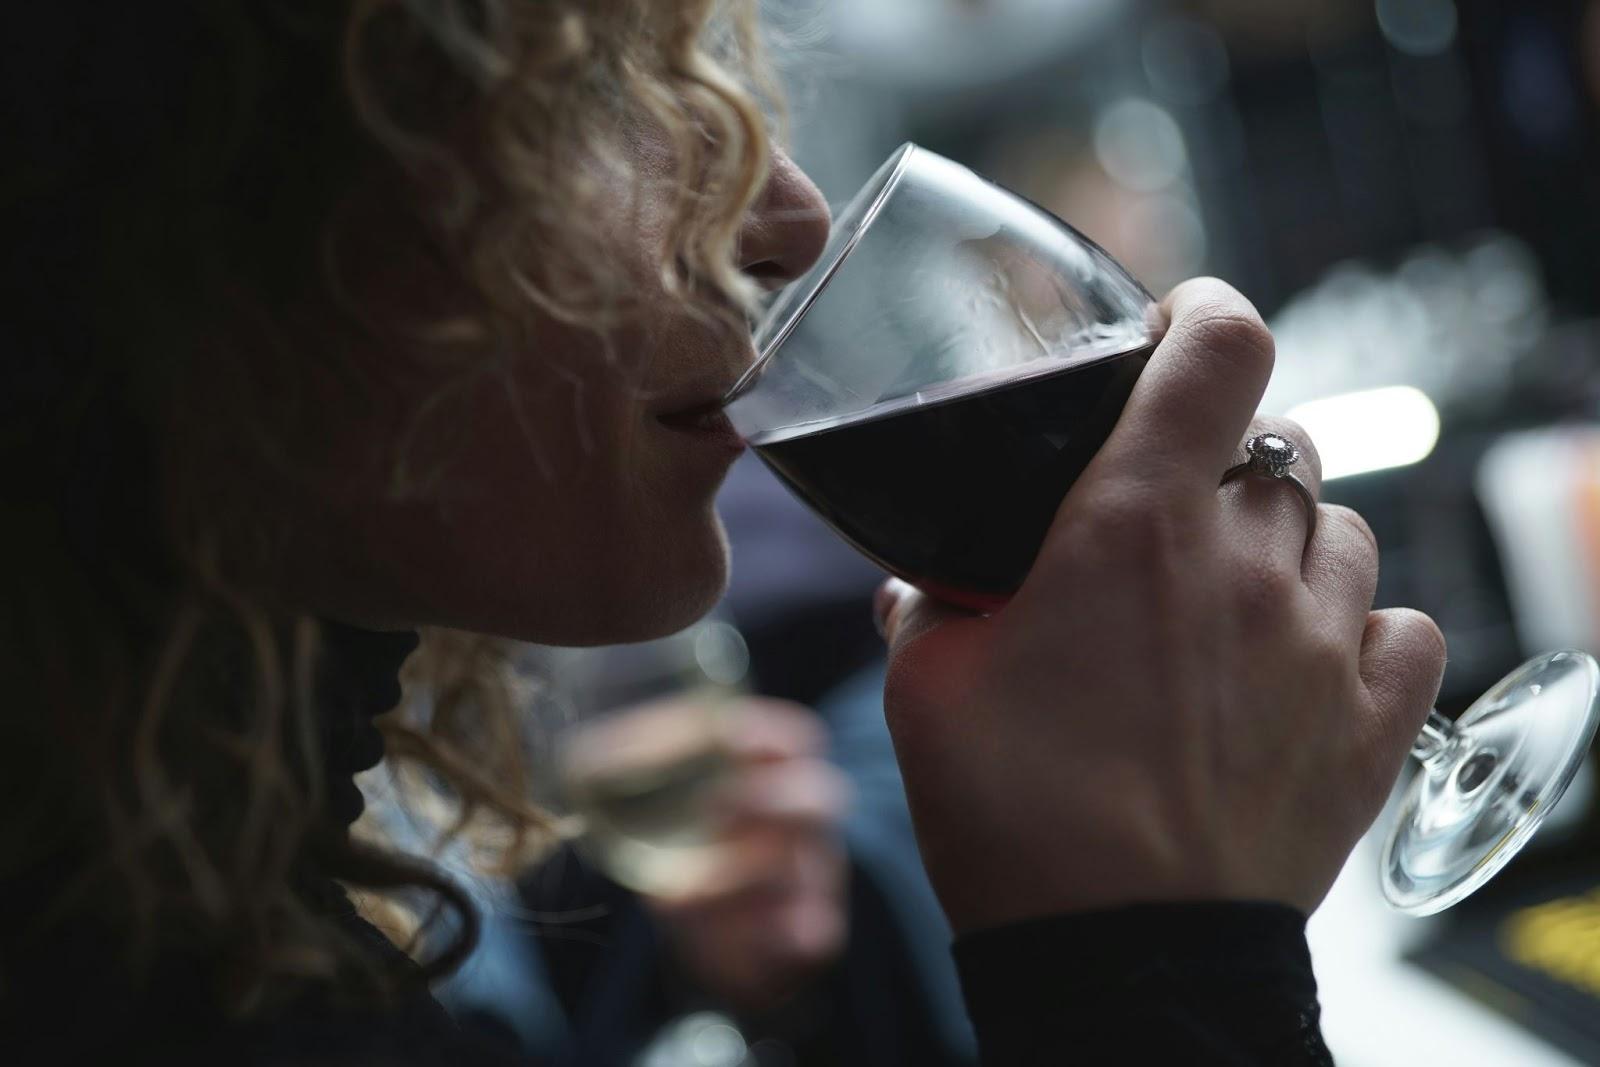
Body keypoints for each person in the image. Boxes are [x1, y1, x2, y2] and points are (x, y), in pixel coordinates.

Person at [2, 4, 1446, 1065]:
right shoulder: (138, 998)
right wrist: (1155, 969)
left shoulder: (182, 904)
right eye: (580, 102)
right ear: (194, 226)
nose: (789, 217)